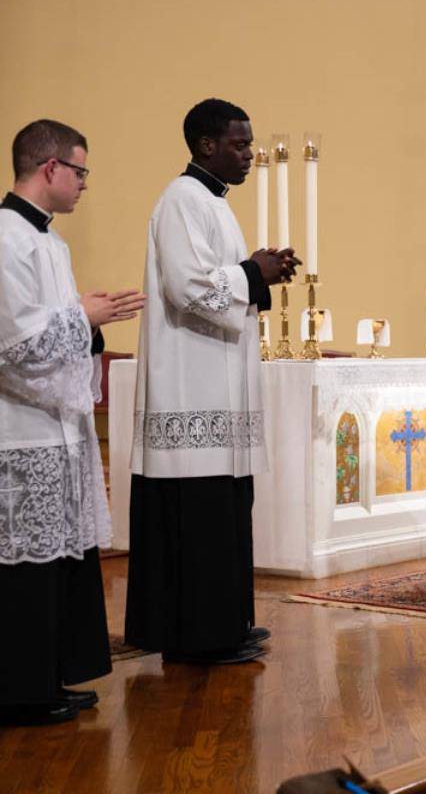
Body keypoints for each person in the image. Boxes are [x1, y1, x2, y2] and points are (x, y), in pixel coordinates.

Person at [125, 99, 299, 664]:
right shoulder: (182, 200)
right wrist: (253, 272)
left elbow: (215, 279)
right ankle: (198, 636)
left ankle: (226, 622)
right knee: (198, 516)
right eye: (239, 144)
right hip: (189, 384)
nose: (249, 154)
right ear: (206, 145)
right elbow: (187, 287)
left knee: (224, 510)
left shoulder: (213, 203)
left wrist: (258, 270)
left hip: (215, 384)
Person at [0, 119, 145, 724]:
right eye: (81, 171)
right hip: (20, 429)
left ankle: (49, 678)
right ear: (51, 168)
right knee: (23, 570)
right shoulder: (6, 237)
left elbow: (51, 327)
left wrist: (91, 318)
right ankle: (18, 692)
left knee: (57, 562)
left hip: (56, 428)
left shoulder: (51, 243)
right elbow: (14, 344)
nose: (86, 183)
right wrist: (83, 316)